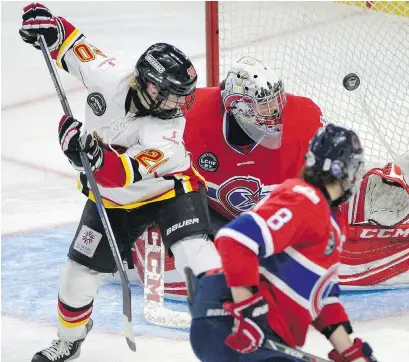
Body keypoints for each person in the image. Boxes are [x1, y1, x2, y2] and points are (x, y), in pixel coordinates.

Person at [19, 3, 221, 361]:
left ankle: (228, 330)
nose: (179, 104)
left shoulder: (169, 134)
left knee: (195, 254)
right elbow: (70, 44)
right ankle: (70, 339)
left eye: (182, 96)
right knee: (76, 277)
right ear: (146, 83)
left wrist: (86, 156)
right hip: (112, 199)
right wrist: (48, 24)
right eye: (170, 94)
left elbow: (124, 171)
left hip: (169, 190)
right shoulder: (108, 75)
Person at [188, 124, 379, 362]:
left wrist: (351, 353)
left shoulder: (331, 222)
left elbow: (324, 299)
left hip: (260, 335)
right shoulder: (304, 198)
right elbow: (235, 240)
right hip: (228, 322)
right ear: (343, 169)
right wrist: (249, 313)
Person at [184, 55, 323, 230]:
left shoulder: (303, 118)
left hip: (280, 225)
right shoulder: (192, 114)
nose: (275, 113)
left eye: (276, 101)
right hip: (213, 220)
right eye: (264, 105)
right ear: (237, 105)